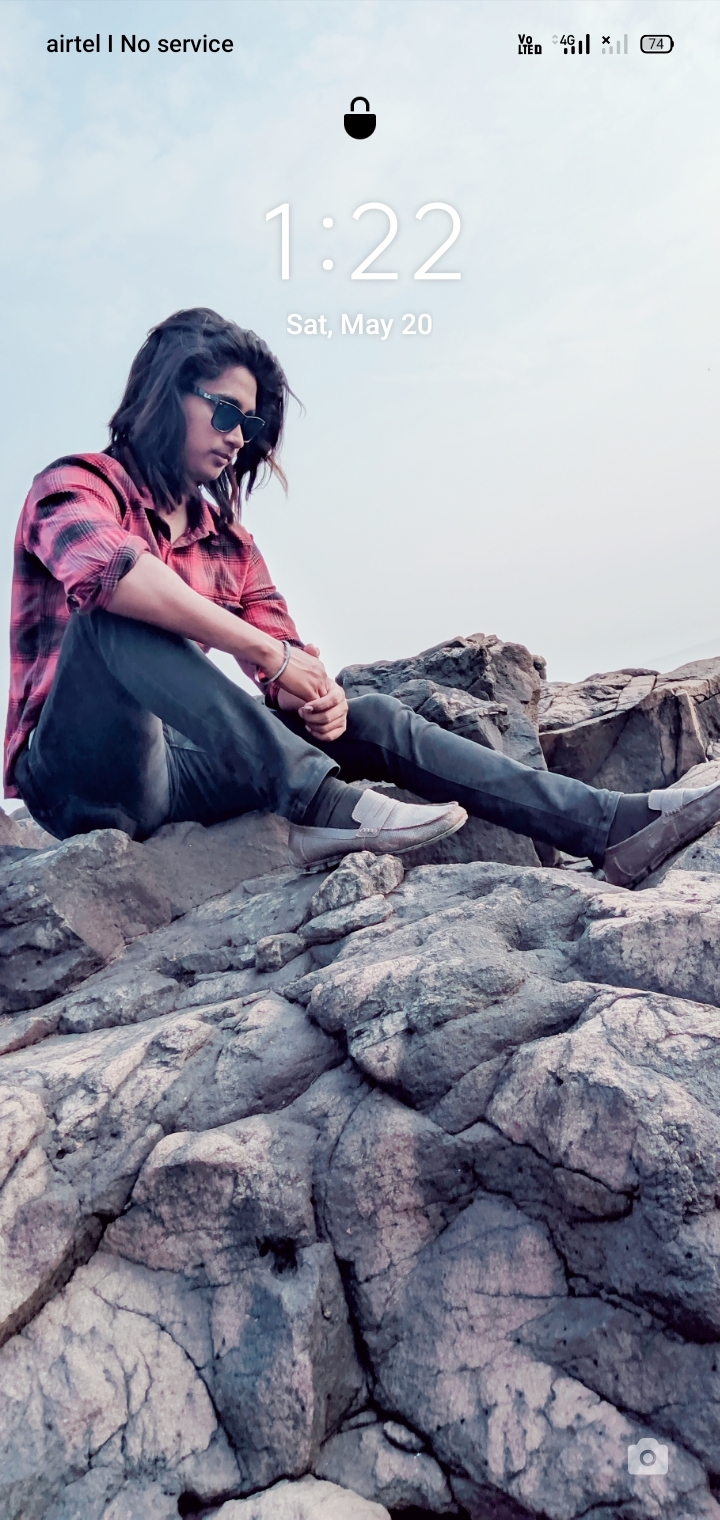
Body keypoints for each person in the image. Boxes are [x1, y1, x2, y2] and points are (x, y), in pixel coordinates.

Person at [6, 307, 720, 888]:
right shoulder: (74, 486)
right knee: (115, 615)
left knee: (372, 715)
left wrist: (314, 697)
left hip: (180, 767)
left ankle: (606, 824)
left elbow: (286, 656)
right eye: (226, 412)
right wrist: (267, 655)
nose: (239, 439)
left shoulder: (228, 542)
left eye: (251, 425)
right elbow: (118, 577)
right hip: (76, 776)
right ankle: (323, 804)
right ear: (166, 394)